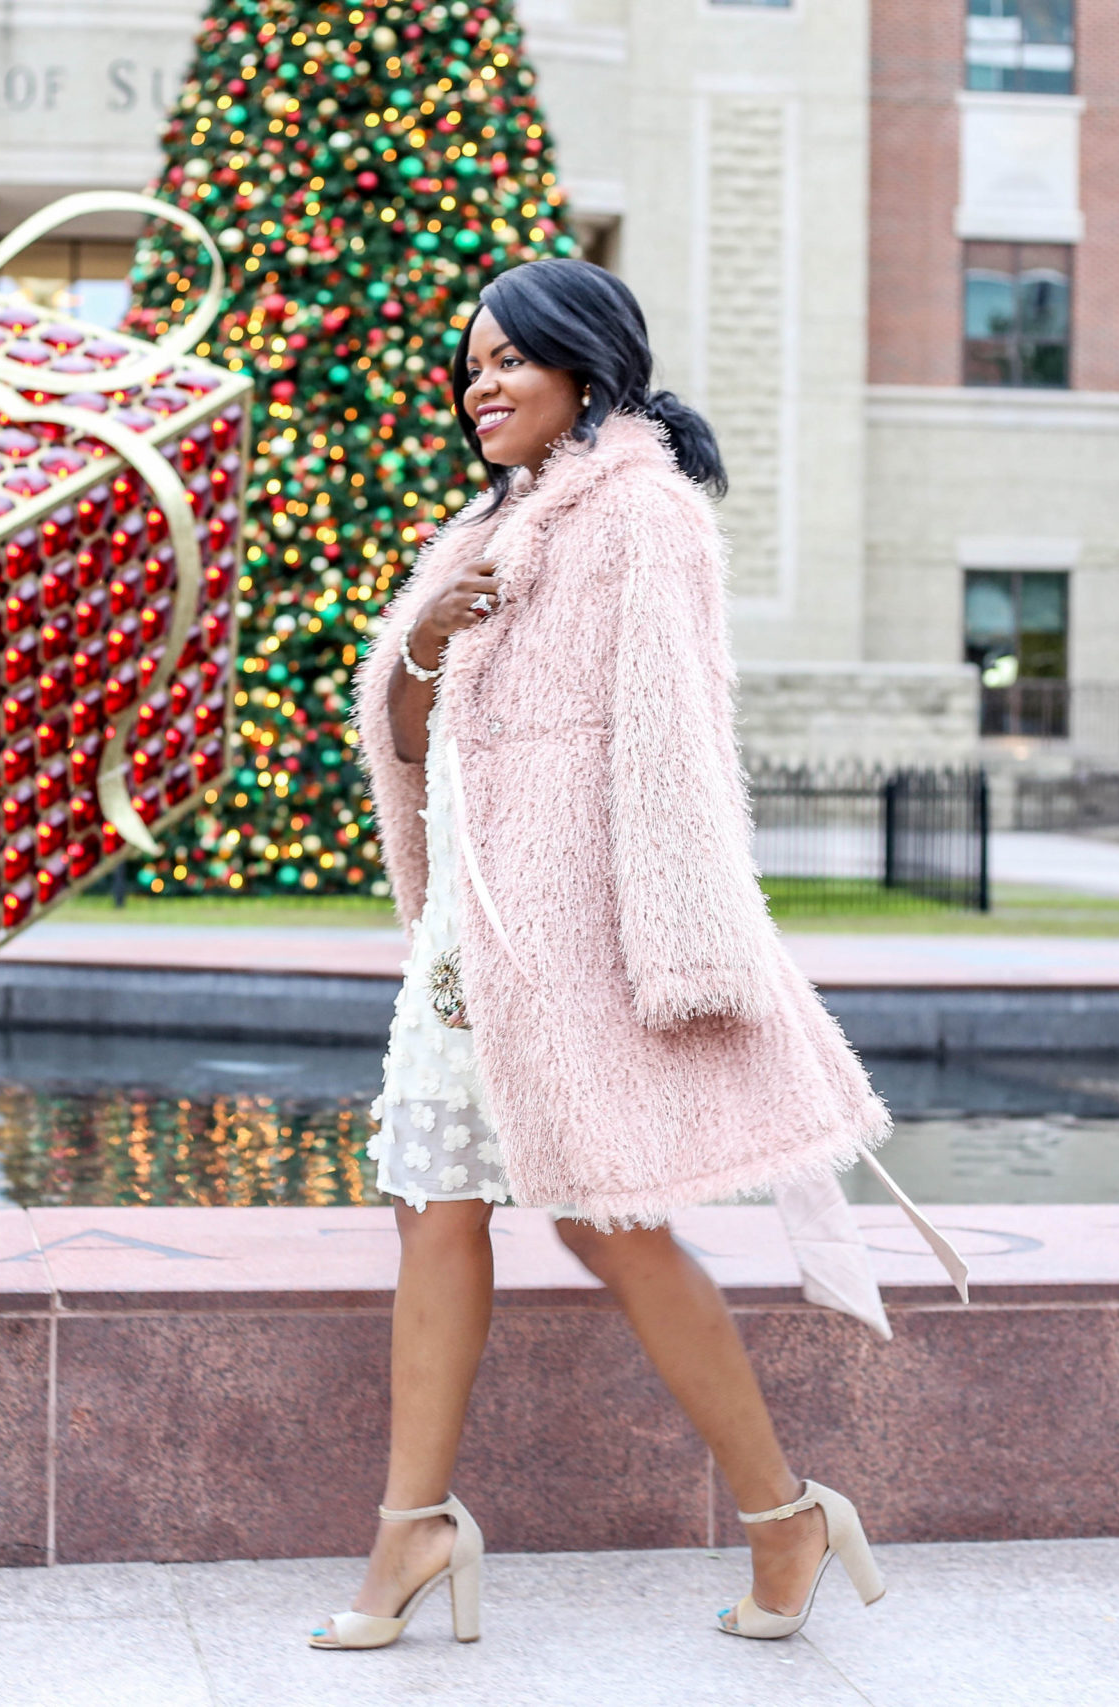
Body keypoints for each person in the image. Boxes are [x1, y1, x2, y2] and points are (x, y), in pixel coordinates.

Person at [313, 258, 906, 1652]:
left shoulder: (645, 516)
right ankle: (412, 1533)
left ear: (587, 367)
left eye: (511, 358)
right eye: (470, 364)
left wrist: (684, 953)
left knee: (607, 1220)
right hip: (464, 946)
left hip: (569, 949)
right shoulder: (487, 526)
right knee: (433, 1209)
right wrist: (424, 644)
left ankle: (786, 1516)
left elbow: (677, 747)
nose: (482, 385)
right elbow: (403, 744)